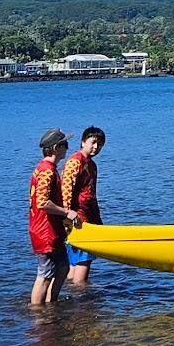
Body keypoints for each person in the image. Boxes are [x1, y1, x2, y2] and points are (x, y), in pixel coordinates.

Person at [29, 129, 73, 305]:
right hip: (44, 231)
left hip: (51, 230)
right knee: (45, 274)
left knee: (63, 268)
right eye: (65, 145)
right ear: (56, 147)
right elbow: (43, 203)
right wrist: (66, 212)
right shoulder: (47, 171)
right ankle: (37, 312)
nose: (67, 149)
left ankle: (51, 303)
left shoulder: (47, 168)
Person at [61, 126, 106, 286]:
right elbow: (66, 189)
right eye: (93, 142)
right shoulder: (75, 161)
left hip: (88, 217)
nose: (96, 147)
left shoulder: (92, 165)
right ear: (83, 142)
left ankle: (66, 304)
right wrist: (67, 214)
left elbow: (92, 195)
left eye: (100, 144)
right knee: (83, 263)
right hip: (77, 219)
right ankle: (83, 304)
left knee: (75, 265)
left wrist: (98, 222)